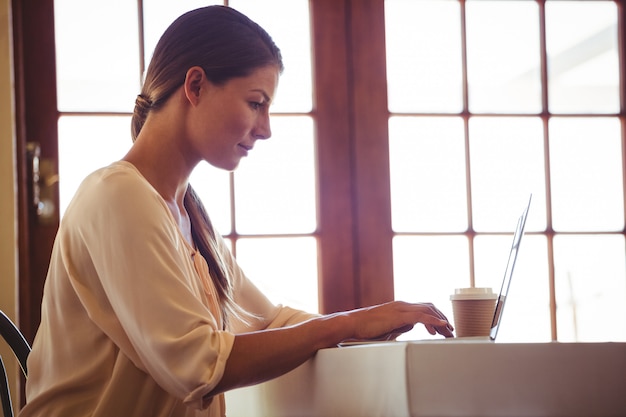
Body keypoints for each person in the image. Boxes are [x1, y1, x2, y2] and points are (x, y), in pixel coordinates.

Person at [19, 5, 453, 417]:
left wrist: (369, 327)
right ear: (195, 86)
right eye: (256, 102)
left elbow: (266, 321)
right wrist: (344, 325)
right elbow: (198, 366)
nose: (265, 129)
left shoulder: (187, 215)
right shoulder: (117, 196)